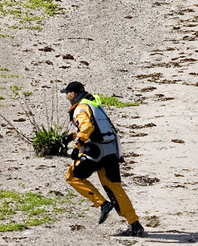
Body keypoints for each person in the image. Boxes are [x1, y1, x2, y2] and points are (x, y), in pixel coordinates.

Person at [61, 82, 144, 237]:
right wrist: (72, 135)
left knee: (72, 177)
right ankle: (135, 224)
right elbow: (97, 126)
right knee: (114, 188)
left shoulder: (79, 108)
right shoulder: (94, 104)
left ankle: (103, 204)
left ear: (72, 94)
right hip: (111, 149)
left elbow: (87, 127)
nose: (66, 97)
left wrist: (77, 144)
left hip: (96, 151)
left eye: (66, 94)